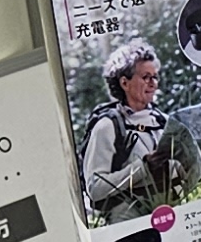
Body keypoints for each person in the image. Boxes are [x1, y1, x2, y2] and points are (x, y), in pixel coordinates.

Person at [76, 38, 193, 222]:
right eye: (146, 77)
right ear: (124, 83)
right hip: (129, 223)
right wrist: (143, 168)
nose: (153, 83)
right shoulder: (108, 126)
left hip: (171, 217)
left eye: (155, 77)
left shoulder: (163, 121)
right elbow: (95, 189)